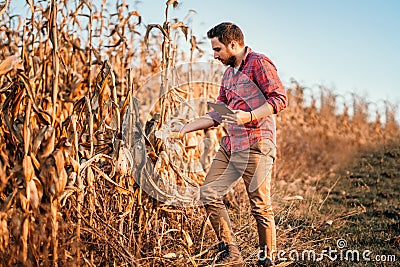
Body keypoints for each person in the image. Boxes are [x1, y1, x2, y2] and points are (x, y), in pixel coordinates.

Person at [174, 22, 288, 266]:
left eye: (217, 50)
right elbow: (217, 115)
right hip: (230, 145)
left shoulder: (259, 63)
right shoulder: (227, 74)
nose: (215, 55)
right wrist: (183, 129)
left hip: (257, 143)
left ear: (233, 45)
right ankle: (232, 254)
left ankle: (267, 259)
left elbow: (279, 99)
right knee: (209, 192)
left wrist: (248, 116)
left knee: (259, 205)